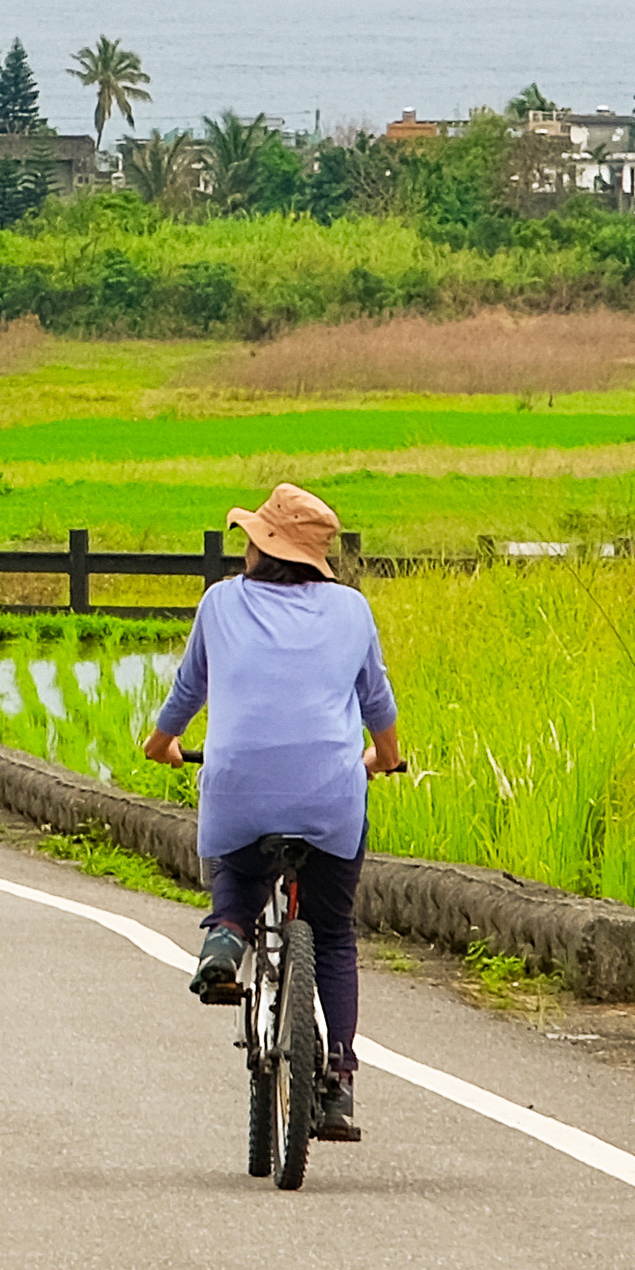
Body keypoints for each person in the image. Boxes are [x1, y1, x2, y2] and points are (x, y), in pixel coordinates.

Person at [139, 480, 406, 1139]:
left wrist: (161, 744)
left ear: (260, 547)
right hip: (332, 793)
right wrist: (385, 758)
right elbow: (378, 705)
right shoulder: (351, 609)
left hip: (237, 785)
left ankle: (226, 932)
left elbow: (187, 689)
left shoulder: (220, 602)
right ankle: (338, 1081)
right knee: (334, 932)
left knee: (239, 856)